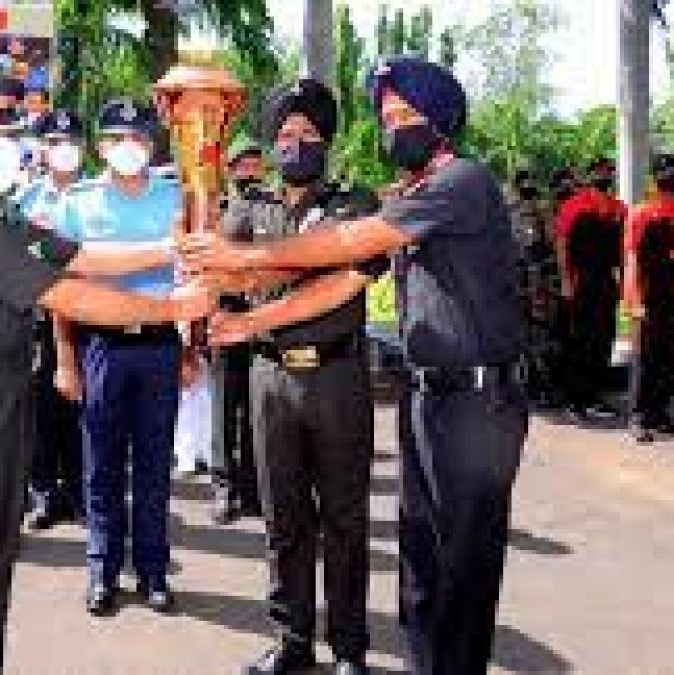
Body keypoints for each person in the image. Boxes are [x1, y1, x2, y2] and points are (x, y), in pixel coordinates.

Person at [180, 57, 529, 675]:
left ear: (441, 120)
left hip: (474, 404)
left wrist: (243, 262)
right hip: (424, 395)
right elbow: (274, 270)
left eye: (406, 116)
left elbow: (347, 251)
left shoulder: (460, 182)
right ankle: (360, 651)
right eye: (387, 118)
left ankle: (379, 653)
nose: (394, 129)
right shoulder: (414, 194)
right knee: (420, 559)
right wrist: (210, 271)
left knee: (460, 565)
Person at [0, 77, 213, 674]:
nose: (3, 149)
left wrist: (171, 250)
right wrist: (176, 308)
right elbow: (69, 295)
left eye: (8, 136)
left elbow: (79, 255)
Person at [206, 79, 384, 675]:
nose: (295, 143)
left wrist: (250, 271)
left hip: (337, 377)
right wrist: (205, 247)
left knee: (345, 518)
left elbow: (338, 268)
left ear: (325, 141)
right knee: (283, 517)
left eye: (307, 133)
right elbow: (221, 272)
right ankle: (292, 639)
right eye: (284, 134)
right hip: (269, 377)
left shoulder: (355, 203)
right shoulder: (250, 206)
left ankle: (350, 648)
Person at [54, 99, 184, 617]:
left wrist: (192, 347)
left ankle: (153, 571)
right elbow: (61, 288)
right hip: (100, 347)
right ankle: (102, 570)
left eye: (137, 137)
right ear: (100, 146)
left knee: (154, 464)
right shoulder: (77, 203)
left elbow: (196, 275)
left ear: (151, 144)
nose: (127, 147)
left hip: (158, 344)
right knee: (101, 464)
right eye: (115, 138)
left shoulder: (177, 198)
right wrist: (66, 359)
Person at [17, 109, 86, 530]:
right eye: (54, 143)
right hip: (40, 316)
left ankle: (80, 488)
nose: (63, 150)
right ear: (42, 150)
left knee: (84, 405)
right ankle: (42, 490)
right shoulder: (26, 199)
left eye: (70, 142)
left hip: (90, 313)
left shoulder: (98, 195)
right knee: (41, 407)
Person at [209, 137, 268, 525]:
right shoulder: (217, 208)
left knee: (257, 405)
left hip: (263, 314)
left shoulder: (272, 206)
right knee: (224, 405)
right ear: (229, 170)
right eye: (242, 165)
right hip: (227, 313)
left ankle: (252, 486)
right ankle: (224, 487)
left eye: (254, 165)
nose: (249, 172)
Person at [623, 154, 674, 442]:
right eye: (666, 172)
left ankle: (660, 413)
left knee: (670, 356)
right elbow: (632, 257)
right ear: (655, 177)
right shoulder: (640, 213)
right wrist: (634, 299)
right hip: (648, 295)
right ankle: (638, 416)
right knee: (645, 357)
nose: (671, 176)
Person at [555, 158, 626, 422]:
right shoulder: (573, 205)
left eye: (609, 171)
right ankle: (574, 400)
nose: (605, 175)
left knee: (604, 339)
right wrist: (565, 280)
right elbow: (562, 243)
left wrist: (624, 282)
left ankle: (595, 397)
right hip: (580, 280)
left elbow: (622, 251)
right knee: (579, 340)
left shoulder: (619, 208)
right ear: (590, 175)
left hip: (606, 281)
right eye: (600, 171)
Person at [509, 169, 565, 407]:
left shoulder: (543, 211)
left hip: (540, 285)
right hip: (524, 285)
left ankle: (542, 387)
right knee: (529, 338)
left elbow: (551, 244)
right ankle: (530, 387)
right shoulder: (511, 212)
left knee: (544, 338)